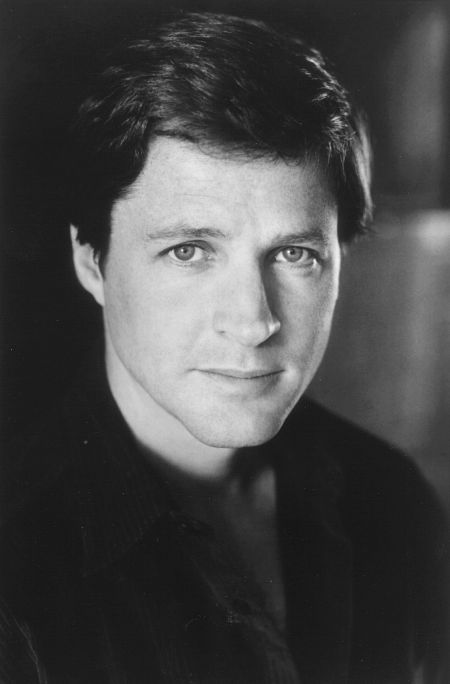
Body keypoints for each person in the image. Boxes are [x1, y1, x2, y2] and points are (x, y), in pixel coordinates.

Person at [0, 11, 446, 684]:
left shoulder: (393, 500)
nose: (253, 320)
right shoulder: (17, 567)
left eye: (294, 254)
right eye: (189, 251)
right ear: (92, 263)